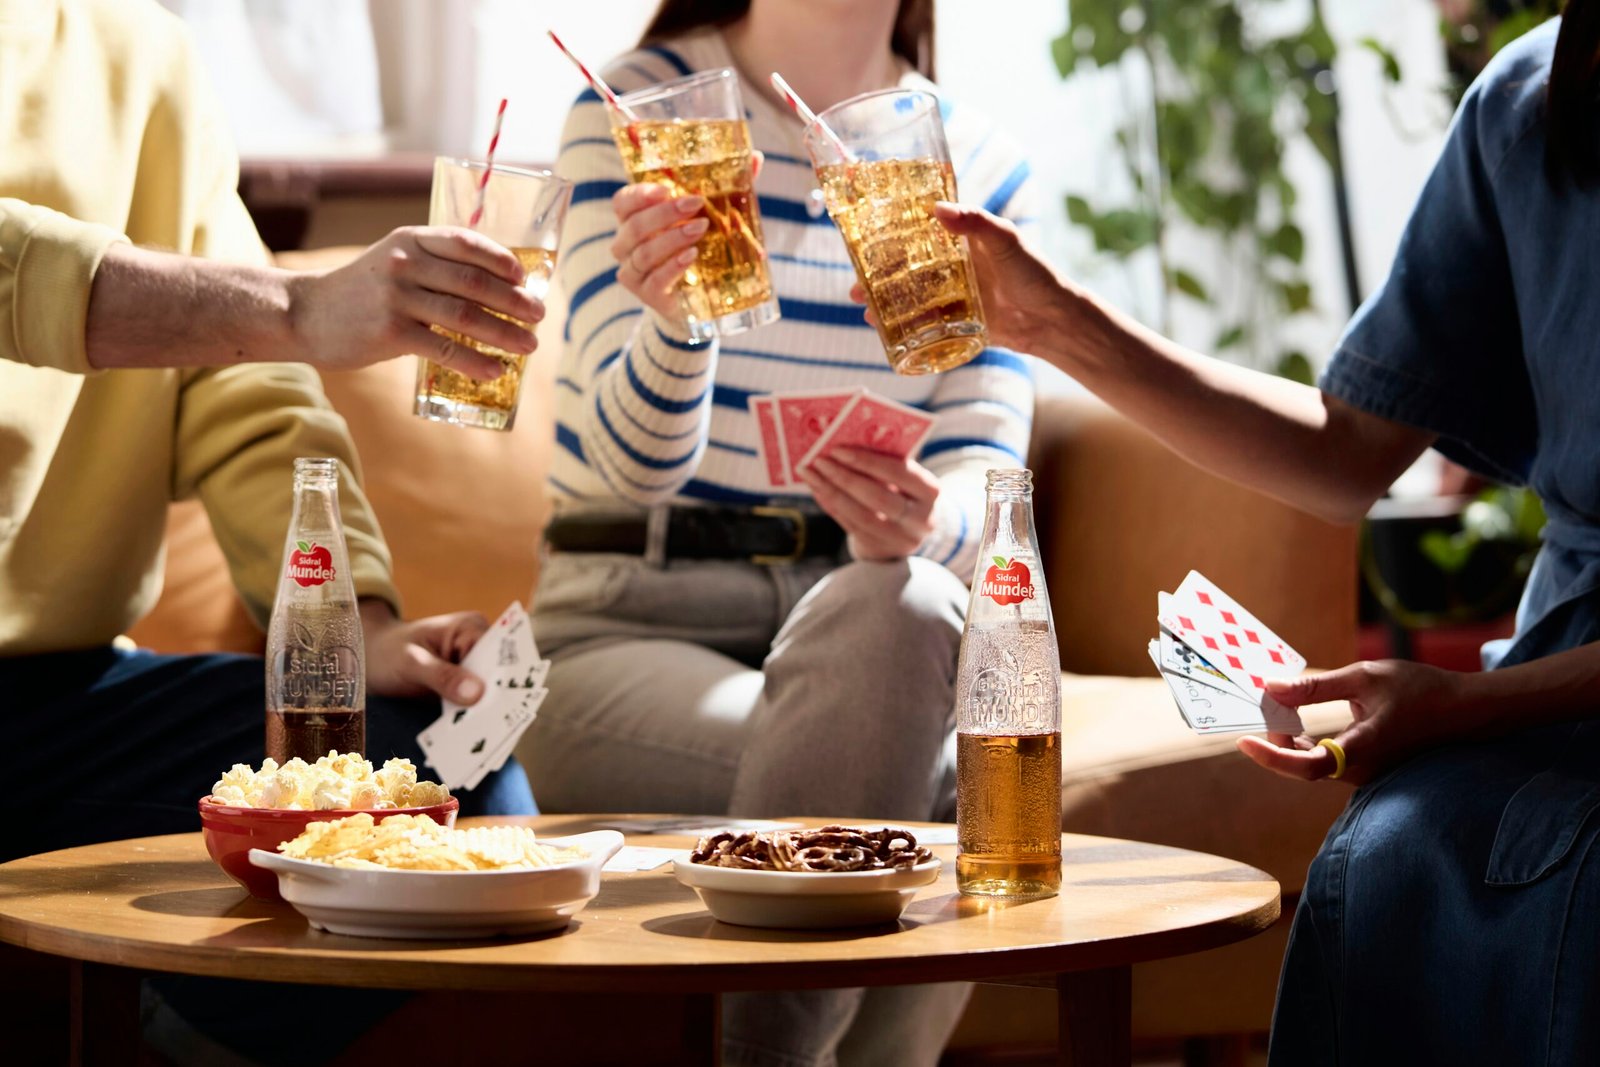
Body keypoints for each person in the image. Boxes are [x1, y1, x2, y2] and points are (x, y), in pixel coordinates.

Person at [904, 8, 1600, 1063]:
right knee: (1392, 848)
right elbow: (1346, 450)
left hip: (1546, 693)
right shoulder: (1530, 100)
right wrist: (1059, 329)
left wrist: (1466, 700)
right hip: (1562, 671)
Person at [0, 0, 538, 1060]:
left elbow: (247, 393)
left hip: (55, 698)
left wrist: (362, 627)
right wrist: (291, 306)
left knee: (443, 776)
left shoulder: (136, 47)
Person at [523, 1, 1038, 1063]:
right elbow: (634, 464)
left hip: (860, 624)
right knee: (965, 790)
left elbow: (987, 501)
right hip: (621, 621)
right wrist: (677, 320)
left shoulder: (977, 164)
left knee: (906, 602)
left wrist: (925, 520)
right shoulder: (634, 112)